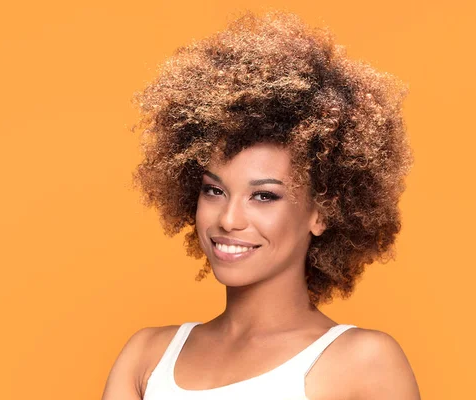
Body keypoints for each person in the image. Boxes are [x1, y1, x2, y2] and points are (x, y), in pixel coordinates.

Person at [102, 10, 420, 400]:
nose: (229, 220)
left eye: (264, 196)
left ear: (321, 212)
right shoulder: (147, 358)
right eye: (214, 191)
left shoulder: (363, 363)